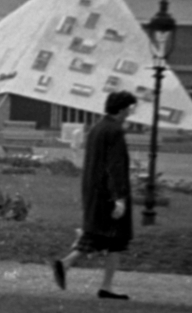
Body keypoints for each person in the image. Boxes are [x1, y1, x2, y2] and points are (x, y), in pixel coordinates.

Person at [53, 90, 137, 299]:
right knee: (114, 240)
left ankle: (68, 265)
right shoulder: (115, 131)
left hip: (94, 191)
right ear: (122, 109)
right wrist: (119, 198)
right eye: (129, 108)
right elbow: (115, 166)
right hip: (109, 193)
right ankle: (103, 285)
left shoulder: (97, 128)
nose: (130, 112)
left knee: (99, 236)